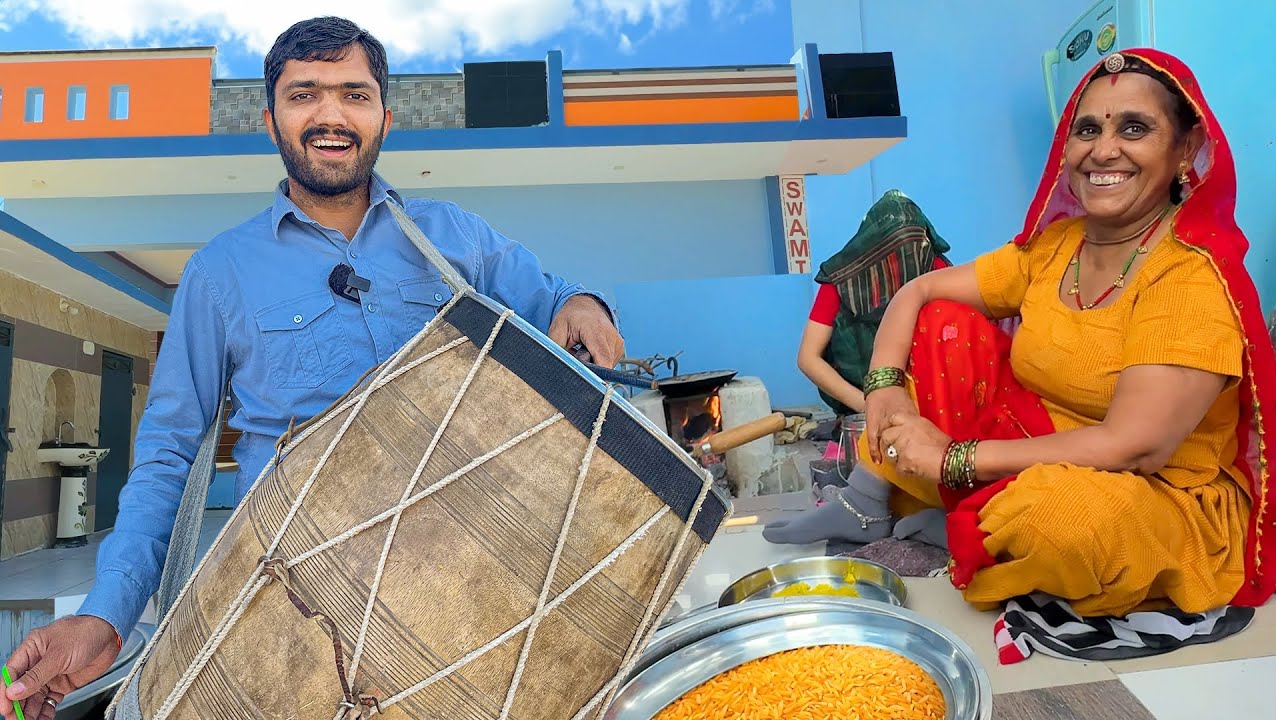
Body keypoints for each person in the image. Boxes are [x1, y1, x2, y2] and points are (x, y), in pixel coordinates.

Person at [1, 16, 624, 719]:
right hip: (293, 618)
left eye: (355, 94)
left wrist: (583, 305)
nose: (332, 115)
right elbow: (168, 453)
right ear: (271, 120)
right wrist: (106, 613)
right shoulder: (219, 273)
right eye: (305, 95)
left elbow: (555, 301)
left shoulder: (455, 237)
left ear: (385, 117)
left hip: (469, 599)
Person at [851, 49, 1276, 618]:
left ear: (1185, 148)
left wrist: (954, 459)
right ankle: (967, 513)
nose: (1103, 150)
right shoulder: (1058, 246)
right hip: (1033, 445)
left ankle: (970, 511)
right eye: (1088, 130)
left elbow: (1135, 447)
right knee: (941, 326)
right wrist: (883, 385)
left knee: (1060, 520)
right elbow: (919, 290)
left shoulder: (1190, 276)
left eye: (1134, 128)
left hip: (1151, 491)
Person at [766, 190, 951, 546]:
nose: (901, 266)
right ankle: (864, 503)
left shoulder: (937, 271)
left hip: (932, 409)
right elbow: (808, 358)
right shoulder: (843, 279)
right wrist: (870, 403)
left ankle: (935, 508)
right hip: (868, 407)